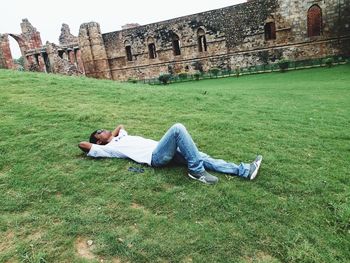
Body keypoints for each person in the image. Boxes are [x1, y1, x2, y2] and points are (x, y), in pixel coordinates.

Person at [78, 123, 262, 184]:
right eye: (99, 132)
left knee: (202, 156)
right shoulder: (108, 149)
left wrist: (110, 134)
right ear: (99, 141)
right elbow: (83, 145)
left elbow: (120, 126)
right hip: (156, 157)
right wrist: (102, 142)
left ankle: (244, 170)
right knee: (177, 129)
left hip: (166, 151)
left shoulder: (120, 137)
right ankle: (196, 172)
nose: (104, 130)